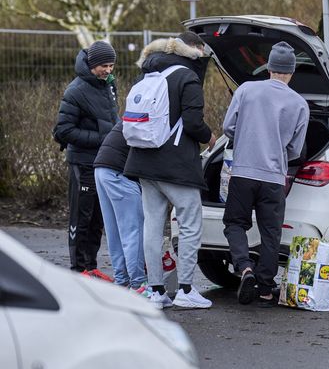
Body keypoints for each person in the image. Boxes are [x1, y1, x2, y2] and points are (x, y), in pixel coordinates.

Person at [124, 32, 216, 309]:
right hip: (174, 164)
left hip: (143, 160)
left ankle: (156, 291)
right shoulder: (187, 77)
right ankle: (186, 289)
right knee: (190, 222)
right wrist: (211, 138)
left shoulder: (149, 74)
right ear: (195, 50)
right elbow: (192, 122)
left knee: (152, 224)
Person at [222, 41, 309, 307]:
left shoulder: (246, 90)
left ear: (268, 67)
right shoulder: (300, 103)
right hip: (274, 178)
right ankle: (265, 288)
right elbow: (295, 149)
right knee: (271, 234)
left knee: (235, 224)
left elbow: (228, 127)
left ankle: (244, 267)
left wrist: (247, 138)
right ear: (291, 72)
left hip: (244, 173)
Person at [53, 40, 119, 281]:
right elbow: (63, 131)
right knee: (81, 218)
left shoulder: (108, 86)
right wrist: (103, 138)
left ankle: (90, 267)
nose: (108, 70)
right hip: (82, 163)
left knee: (97, 219)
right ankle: (78, 271)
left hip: (103, 163)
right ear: (91, 64)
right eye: (104, 65)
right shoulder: (76, 90)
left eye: (111, 65)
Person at [94, 121, 147, 293]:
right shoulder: (158, 115)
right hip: (118, 172)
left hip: (101, 168)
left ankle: (122, 280)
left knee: (114, 231)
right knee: (133, 230)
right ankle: (139, 284)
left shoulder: (136, 110)